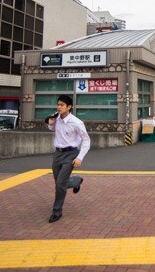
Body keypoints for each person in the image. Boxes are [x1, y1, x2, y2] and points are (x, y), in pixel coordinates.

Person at [46, 95, 91, 223]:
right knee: (59, 183)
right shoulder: (57, 118)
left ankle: (57, 212)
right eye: (58, 104)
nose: (58, 107)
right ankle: (76, 181)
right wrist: (50, 124)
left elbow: (87, 140)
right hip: (57, 154)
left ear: (69, 107)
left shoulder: (77, 122)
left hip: (70, 154)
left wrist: (79, 158)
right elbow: (52, 128)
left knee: (60, 184)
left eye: (61, 105)